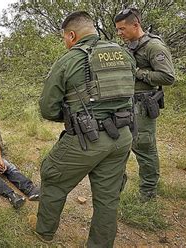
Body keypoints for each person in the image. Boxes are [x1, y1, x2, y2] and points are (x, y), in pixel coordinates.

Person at [28, 11, 136, 247]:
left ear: (72, 35)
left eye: (65, 38)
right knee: (108, 198)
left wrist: (71, 118)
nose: (66, 43)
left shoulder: (70, 59)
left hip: (86, 139)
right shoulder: (124, 54)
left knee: (53, 177)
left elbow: (48, 108)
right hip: (122, 137)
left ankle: (44, 231)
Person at [115, 8, 175, 202]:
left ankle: (147, 194)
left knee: (144, 147)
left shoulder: (154, 47)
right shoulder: (130, 46)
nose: (119, 33)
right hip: (125, 104)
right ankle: (116, 188)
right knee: (120, 145)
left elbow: (167, 77)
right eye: (117, 29)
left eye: (122, 29)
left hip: (142, 105)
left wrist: (139, 73)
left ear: (136, 25)